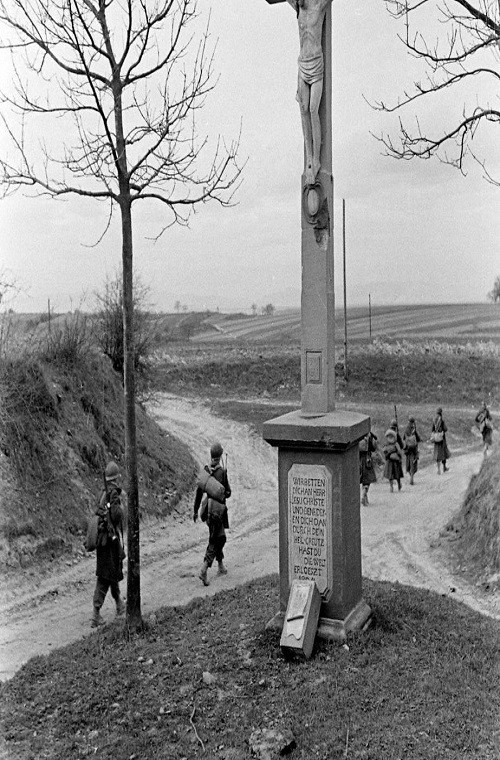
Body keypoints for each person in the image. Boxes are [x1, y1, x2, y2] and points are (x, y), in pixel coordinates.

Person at [286, 0, 332, 185]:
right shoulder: (298, 8)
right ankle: (309, 160)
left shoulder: (318, 6)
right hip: (302, 65)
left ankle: (317, 158)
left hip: (316, 65)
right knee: (303, 110)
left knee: (314, 110)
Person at [91, 461, 125, 628]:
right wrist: (121, 507)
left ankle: (119, 603)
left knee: (112, 571)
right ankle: (96, 614)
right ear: (116, 477)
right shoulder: (113, 494)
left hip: (102, 540)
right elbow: (117, 515)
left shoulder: (102, 493)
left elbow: (97, 511)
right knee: (105, 577)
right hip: (109, 540)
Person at [193, 442, 231, 587]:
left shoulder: (206, 471)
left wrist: (195, 511)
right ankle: (204, 568)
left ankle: (221, 566)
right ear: (220, 456)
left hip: (207, 511)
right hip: (218, 512)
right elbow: (228, 493)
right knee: (218, 539)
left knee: (215, 535)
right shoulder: (222, 472)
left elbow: (198, 492)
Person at [359, 429, 378, 506]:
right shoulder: (369, 437)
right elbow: (373, 449)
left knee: (362, 480)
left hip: (359, 461)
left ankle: (365, 499)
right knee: (367, 481)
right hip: (367, 461)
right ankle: (364, 493)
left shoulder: (358, 436)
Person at [383, 428, 403, 493]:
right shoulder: (393, 444)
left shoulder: (390, 444)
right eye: (389, 437)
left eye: (391, 437)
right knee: (394, 475)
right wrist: (400, 457)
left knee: (393, 475)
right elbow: (399, 451)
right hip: (392, 461)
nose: (390, 438)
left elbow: (385, 452)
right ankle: (395, 485)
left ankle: (395, 485)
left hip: (392, 461)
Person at [403, 416, 421, 486]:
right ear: (413, 422)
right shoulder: (414, 429)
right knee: (414, 463)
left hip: (408, 449)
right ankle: (412, 478)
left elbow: (403, 438)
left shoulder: (406, 429)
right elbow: (418, 438)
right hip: (414, 449)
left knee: (408, 463)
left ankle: (411, 477)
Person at [431, 407, 450, 474]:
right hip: (442, 439)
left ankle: (438, 470)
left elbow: (432, 429)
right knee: (443, 453)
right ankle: (444, 467)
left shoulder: (434, 420)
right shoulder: (441, 420)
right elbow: (445, 429)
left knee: (437, 454)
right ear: (441, 413)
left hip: (436, 440)